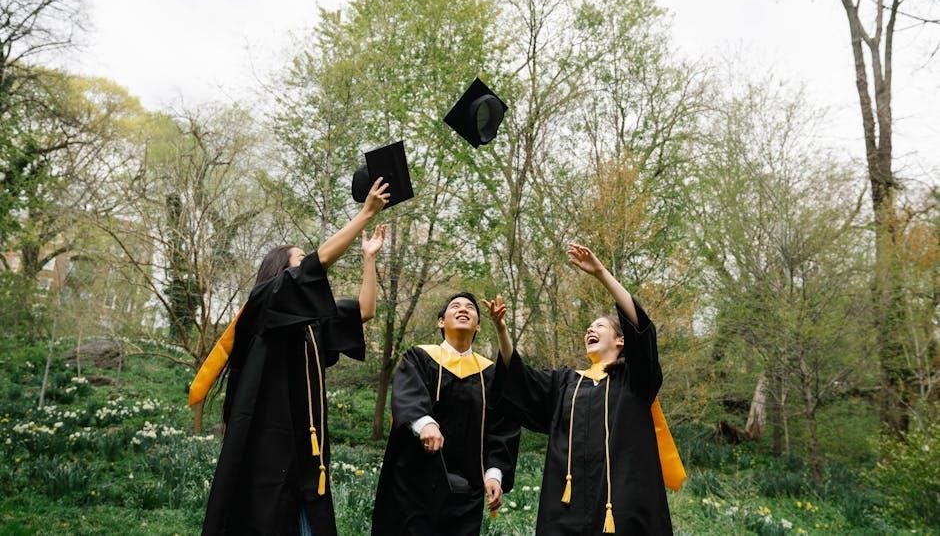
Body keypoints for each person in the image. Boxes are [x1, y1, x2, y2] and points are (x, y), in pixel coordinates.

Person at [197, 178, 389, 536]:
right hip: (267, 450)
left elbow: (364, 311)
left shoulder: (310, 324)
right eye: (299, 260)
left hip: (306, 452)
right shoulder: (264, 302)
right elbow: (319, 263)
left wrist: (369, 259)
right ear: (281, 271)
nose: (306, 268)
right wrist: (365, 213)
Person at [486, 243, 682, 535]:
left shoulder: (634, 380)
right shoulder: (565, 382)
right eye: (588, 327)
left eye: (599, 326)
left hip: (622, 507)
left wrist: (601, 273)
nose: (590, 330)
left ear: (621, 340)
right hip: (567, 509)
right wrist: (502, 330)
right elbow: (518, 379)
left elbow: (640, 325)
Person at [371, 292, 521, 536]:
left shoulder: (490, 375)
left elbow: (502, 426)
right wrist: (425, 423)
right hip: (415, 484)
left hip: (466, 491)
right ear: (441, 322)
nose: (463, 309)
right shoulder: (419, 358)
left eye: (470, 307)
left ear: (478, 326)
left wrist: (494, 473)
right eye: (455, 306)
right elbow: (408, 393)